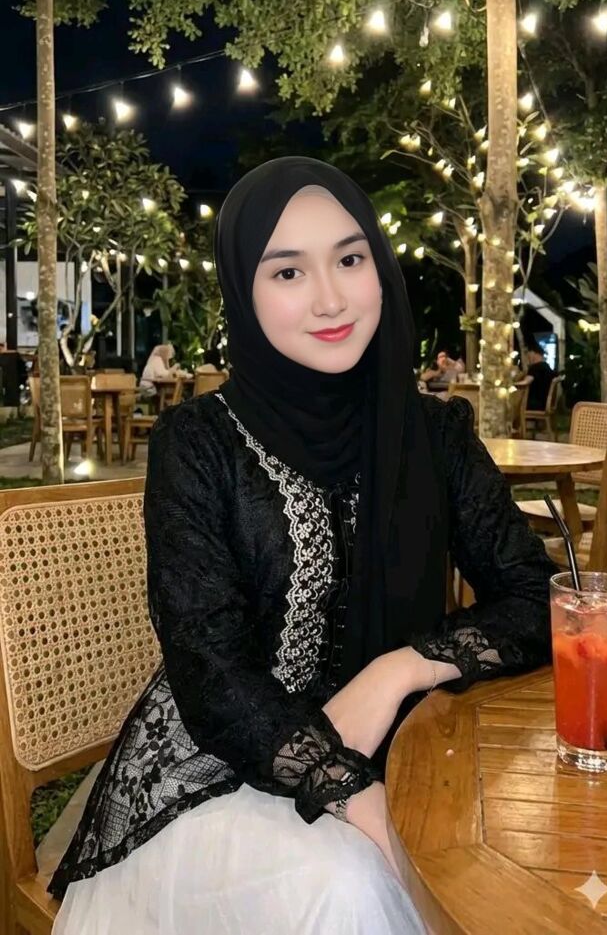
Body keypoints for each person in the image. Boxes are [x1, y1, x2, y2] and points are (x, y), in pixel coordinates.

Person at [49, 159, 555, 935]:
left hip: (411, 750)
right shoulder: (199, 442)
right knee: (354, 888)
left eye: (350, 259)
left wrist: (401, 669)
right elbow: (210, 671)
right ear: (244, 292)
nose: (330, 298)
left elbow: (539, 598)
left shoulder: (435, 433)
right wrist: (353, 791)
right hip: (219, 769)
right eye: (288, 270)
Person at [525, 341, 555, 411]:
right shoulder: (547, 367)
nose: (527, 356)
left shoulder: (535, 368)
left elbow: (525, 383)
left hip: (534, 404)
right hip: (544, 403)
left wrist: (513, 385)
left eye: (527, 353)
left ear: (533, 352)